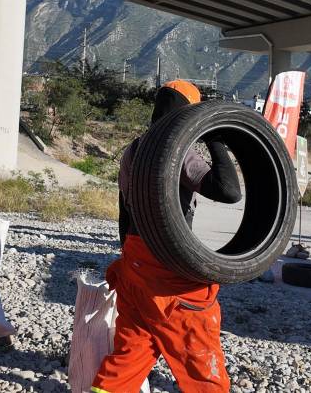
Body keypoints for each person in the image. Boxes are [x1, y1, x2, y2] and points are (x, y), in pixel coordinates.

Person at [91, 80, 242, 393]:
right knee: (198, 350)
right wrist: (215, 135)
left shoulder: (134, 149)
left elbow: (124, 213)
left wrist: (132, 265)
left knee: (130, 355)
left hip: (134, 265)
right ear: (189, 114)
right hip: (168, 269)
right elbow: (229, 190)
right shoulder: (177, 152)